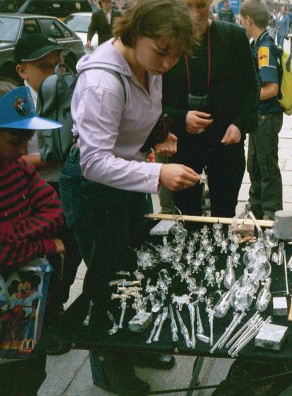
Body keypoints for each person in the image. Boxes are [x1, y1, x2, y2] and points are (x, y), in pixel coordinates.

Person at [59, 0, 198, 394]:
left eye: (176, 54)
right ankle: (109, 366)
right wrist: (158, 173)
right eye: (161, 50)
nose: (168, 62)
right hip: (93, 190)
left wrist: (156, 138)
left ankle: (134, 342)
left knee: (136, 268)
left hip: (128, 180)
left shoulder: (147, 64)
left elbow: (132, 122)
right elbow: (95, 163)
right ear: (134, 34)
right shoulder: (103, 82)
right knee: (107, 279)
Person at [161, 0, 259, 217]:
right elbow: (155, 98)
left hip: (225, 141)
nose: (195, 14)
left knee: (224, 216)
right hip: (183, 145)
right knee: (187, 217)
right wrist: (180, 117)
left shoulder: (234, 36)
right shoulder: (167, 40)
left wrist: (239, 125)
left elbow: (251, 87)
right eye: (188, 7)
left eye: (201, 6)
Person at [0, 84, 65, 396]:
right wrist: (45, 245)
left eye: (27, 139)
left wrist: (12, 231)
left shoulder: (19, 169)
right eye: (16, 140)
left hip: (26, 306)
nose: (25, 150)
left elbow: (55, 210)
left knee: (29, 375)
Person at [13, 34, 83, 313]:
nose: (53, 72)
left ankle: (57, 306)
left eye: (58, 65)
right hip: (35, 193)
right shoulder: (17, 105)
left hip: (68, 187)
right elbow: (11, 159)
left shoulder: (69, 95)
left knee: (72, 252)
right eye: (43, 66)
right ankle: (47, 314)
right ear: (22, 70)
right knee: (48, 255)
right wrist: (47, 158)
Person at [240, 0, 284, 220]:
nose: (241, 24)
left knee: (266, 167)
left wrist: (246, 97)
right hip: (259, 116)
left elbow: (271, 88)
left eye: (242, 21)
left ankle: (271, 212)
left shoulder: (264, 47)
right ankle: (256, 207)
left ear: (249, 20)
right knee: (254, 165)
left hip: (266, 115)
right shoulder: (258, 43)